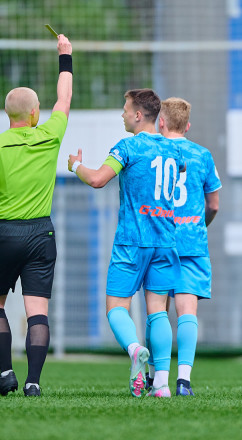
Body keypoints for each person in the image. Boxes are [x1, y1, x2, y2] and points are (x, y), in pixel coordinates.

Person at [0, 34, 73, 397]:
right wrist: (65, 56)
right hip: (41, 235)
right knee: (37, 311)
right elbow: (65, 98)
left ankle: (7, 372)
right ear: (33, 113)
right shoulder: (50, 134)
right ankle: (33, 382)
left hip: (5, 234)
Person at [68, 88, 184, 398]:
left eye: (125, 108)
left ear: (137, 115)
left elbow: (98, 179)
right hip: (165, 240)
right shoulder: (174, 150)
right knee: (158, 311)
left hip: (132, 241)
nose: (121, 113)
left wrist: (75, 166)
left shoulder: (127, 147)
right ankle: (161, 385)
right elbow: (181, 168)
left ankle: (134, 350)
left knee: (116, 307)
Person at [144, 97, 221, 396]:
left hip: (158, 239)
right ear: (188, 125)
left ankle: (154, 376)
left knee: (157, 311)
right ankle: (184, 381)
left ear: (161, 122)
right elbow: (213, 204)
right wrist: (200, 223)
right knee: (187, 312)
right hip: (192, 241)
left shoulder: (151, 152)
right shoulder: (202, 155)